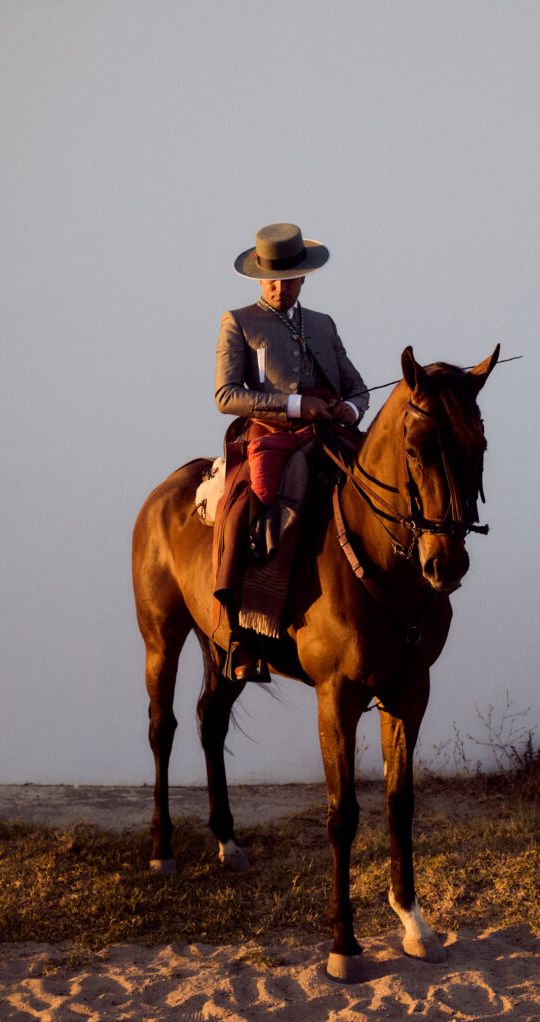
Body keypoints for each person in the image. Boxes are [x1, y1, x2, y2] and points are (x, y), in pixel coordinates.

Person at [213, 222, 369, 681]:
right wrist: (298, 405)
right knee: (258, 498)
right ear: (260, 278)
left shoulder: (323, 324)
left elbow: (358, 388)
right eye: (273, 279)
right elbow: (226, 396)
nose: (281, 288)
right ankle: (246, 631)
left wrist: (349, 410)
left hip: (330, 434)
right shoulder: (239, 321)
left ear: (304, 278)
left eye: (290, 279)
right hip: (271, 433)